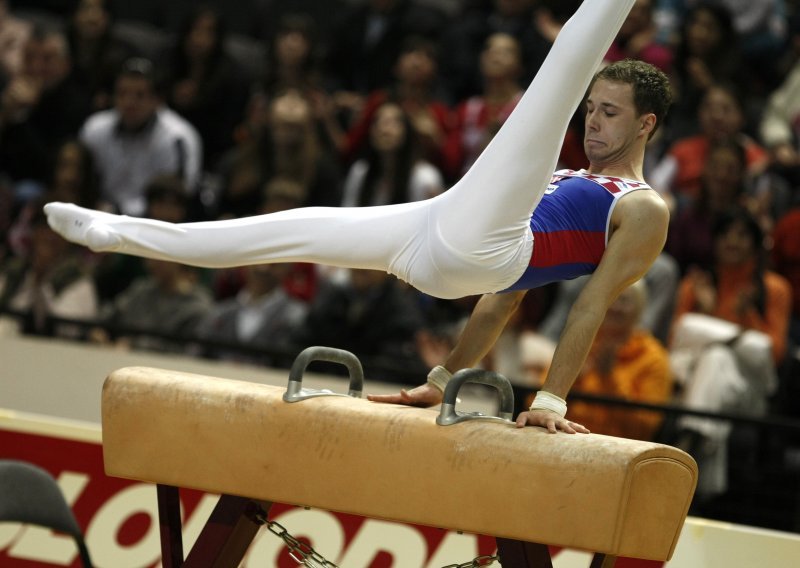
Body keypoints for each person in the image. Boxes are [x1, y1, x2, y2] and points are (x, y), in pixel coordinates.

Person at [44, 0, 671, 434]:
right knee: (286, 229)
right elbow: (501, 301)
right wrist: (445, 377)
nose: (593, 122)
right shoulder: (571, 176)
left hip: (495, 248)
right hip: (439, 231)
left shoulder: (641, 207)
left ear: (646, 124)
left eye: (610, 113)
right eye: (591, 109)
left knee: (561, 64)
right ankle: (116, 236)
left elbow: (589, 305)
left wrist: (552, 400)